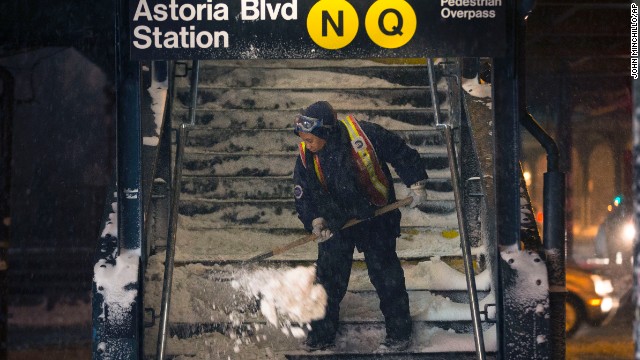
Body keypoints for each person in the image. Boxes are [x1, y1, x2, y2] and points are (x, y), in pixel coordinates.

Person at [292, 101, 428, 352]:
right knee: (328, 280)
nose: (307, 145)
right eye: (304, 139)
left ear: (325, 132)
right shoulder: (306, 155)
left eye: (310, 139)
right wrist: (314, 219)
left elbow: (400, 151)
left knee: (386, 276)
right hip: (338, 222)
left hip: (376, 216)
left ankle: (399, 334)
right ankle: (321, 336)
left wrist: (416, 181)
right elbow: (304, 193)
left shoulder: (364, 135)